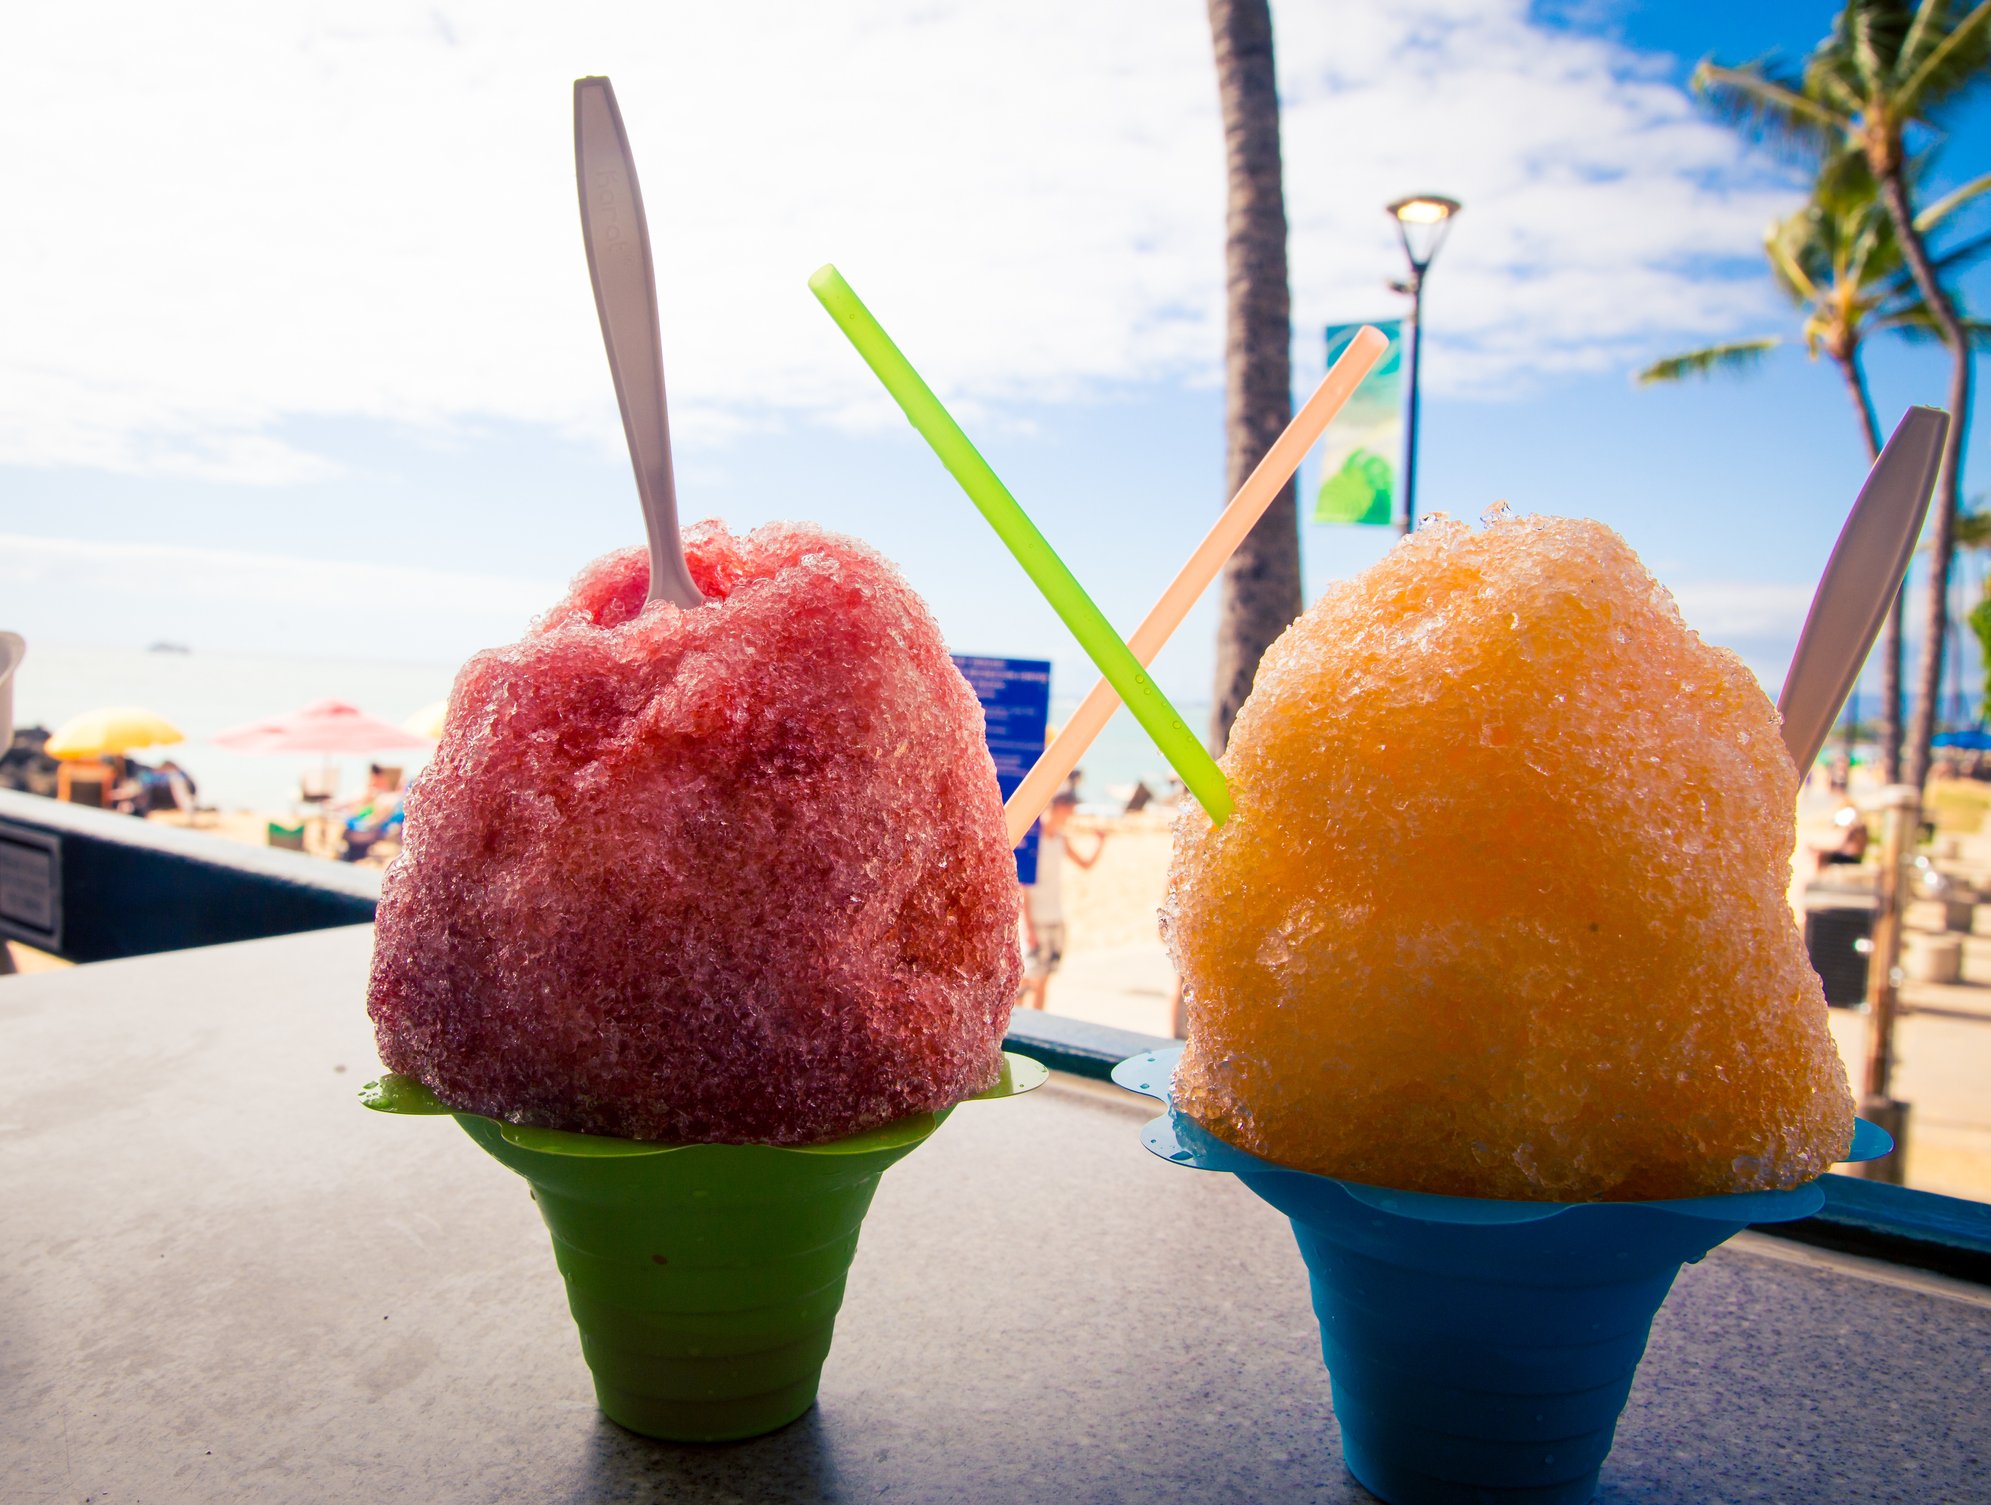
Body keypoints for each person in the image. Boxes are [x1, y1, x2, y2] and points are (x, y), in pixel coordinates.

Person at [1017, 789, 1105, 1011]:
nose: (1071, 814)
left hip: (1055, 916)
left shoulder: (1060, 839)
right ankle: (1016, 1023)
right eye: (1070, 809)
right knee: (1027, 979)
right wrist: (1028, 926)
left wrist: (1100, 843)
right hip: (1036, 919)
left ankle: (1039, 1025)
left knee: (1045, 979)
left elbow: (1085, 865)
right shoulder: (1034, 839)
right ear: (1060, 807)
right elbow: (1024, 884)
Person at [338, 764, 405, 862]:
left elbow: (377, 820)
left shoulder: (388, 799)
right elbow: (362, 812)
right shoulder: (378, 796)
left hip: (370, 831)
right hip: (367, 829)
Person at [1808, 802, 1869, 873]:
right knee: (1822, 854)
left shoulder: (1853, 829)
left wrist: (1818, 848)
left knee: (1820, 855)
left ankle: (1818, 878)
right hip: (1857, 857)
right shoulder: (1861, 827)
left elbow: (1840, 846)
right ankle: (1820, 878)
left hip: (1851, 858)